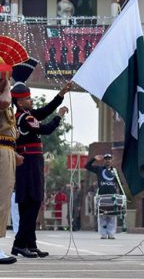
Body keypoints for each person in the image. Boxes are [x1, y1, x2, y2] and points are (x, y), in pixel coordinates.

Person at [10, 80, 71, 258]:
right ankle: (19, 244)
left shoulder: (25, 115)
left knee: (28, 203)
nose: (31, 100)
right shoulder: (25, 117)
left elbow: (44, 111)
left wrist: (61, 94)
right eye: (28, 98)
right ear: (20, 102)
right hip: (29, 162)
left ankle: (30, 243)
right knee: (33, 200)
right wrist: (59, 116)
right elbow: (46, 129)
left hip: (29, 162)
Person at [0, 37, 27, 264]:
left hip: (6, 149)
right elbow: (5, 100)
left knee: (4, 197)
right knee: (0, 198)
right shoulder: (4, 95)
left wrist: (14, 152)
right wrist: (7, 83)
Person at [85, 153, 125, 239]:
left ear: (111, 160)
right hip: (102, 195)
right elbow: (87, 166)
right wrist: (94, 159)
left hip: (112, 195)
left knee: (112, 216)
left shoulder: (114, 171)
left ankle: (111, 233)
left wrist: (121, 196)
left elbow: (119, 183)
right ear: (104, 160)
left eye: (109, 158)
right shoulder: (99, 169)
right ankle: (103, 234)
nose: (108, 160)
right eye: (106, 158)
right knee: (102, 215)